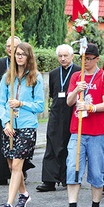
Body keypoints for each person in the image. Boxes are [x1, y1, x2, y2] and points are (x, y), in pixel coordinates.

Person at [64, 43, 104, 207]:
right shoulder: (76, 77)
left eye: (89, 59)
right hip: (77, 131)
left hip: (98, 132)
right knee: (73, 166)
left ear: (96, 59)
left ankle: (95, 206)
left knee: (96, 170)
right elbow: (69, 102)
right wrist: (76, 90)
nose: (85, 62)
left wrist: (90, 107)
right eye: (83, 59)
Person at [0, 42, 45, 207]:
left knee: (17, 164)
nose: (19, 56)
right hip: (10, 126)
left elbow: (40, 106)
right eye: (17, 54)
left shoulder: (36, 78)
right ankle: (24, 194)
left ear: (29, 56)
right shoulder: (7, 77)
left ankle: (8, 205)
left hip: (27, 126)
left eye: (23, 54)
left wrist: (21, 103)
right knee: (11, 166)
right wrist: (5, 123)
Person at [36, 44, 81, 192]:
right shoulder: (54, 73)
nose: (62, 59)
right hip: (56, 113)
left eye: (65, 56)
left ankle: (66, 178)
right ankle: (49, 180)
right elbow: (52, 93)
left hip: (72, 113)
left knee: (70, 146)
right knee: (52, 144)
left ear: (72, 56)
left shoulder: (78, 72)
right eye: (60, 56)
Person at [0, 36, 21, 186]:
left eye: (13, 46)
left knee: (17, 142)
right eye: (8, 46)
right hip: (0, 109)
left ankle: (19, 173)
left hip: (17, 109)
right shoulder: (0, 63)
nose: (10, 49)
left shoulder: (22, 62)